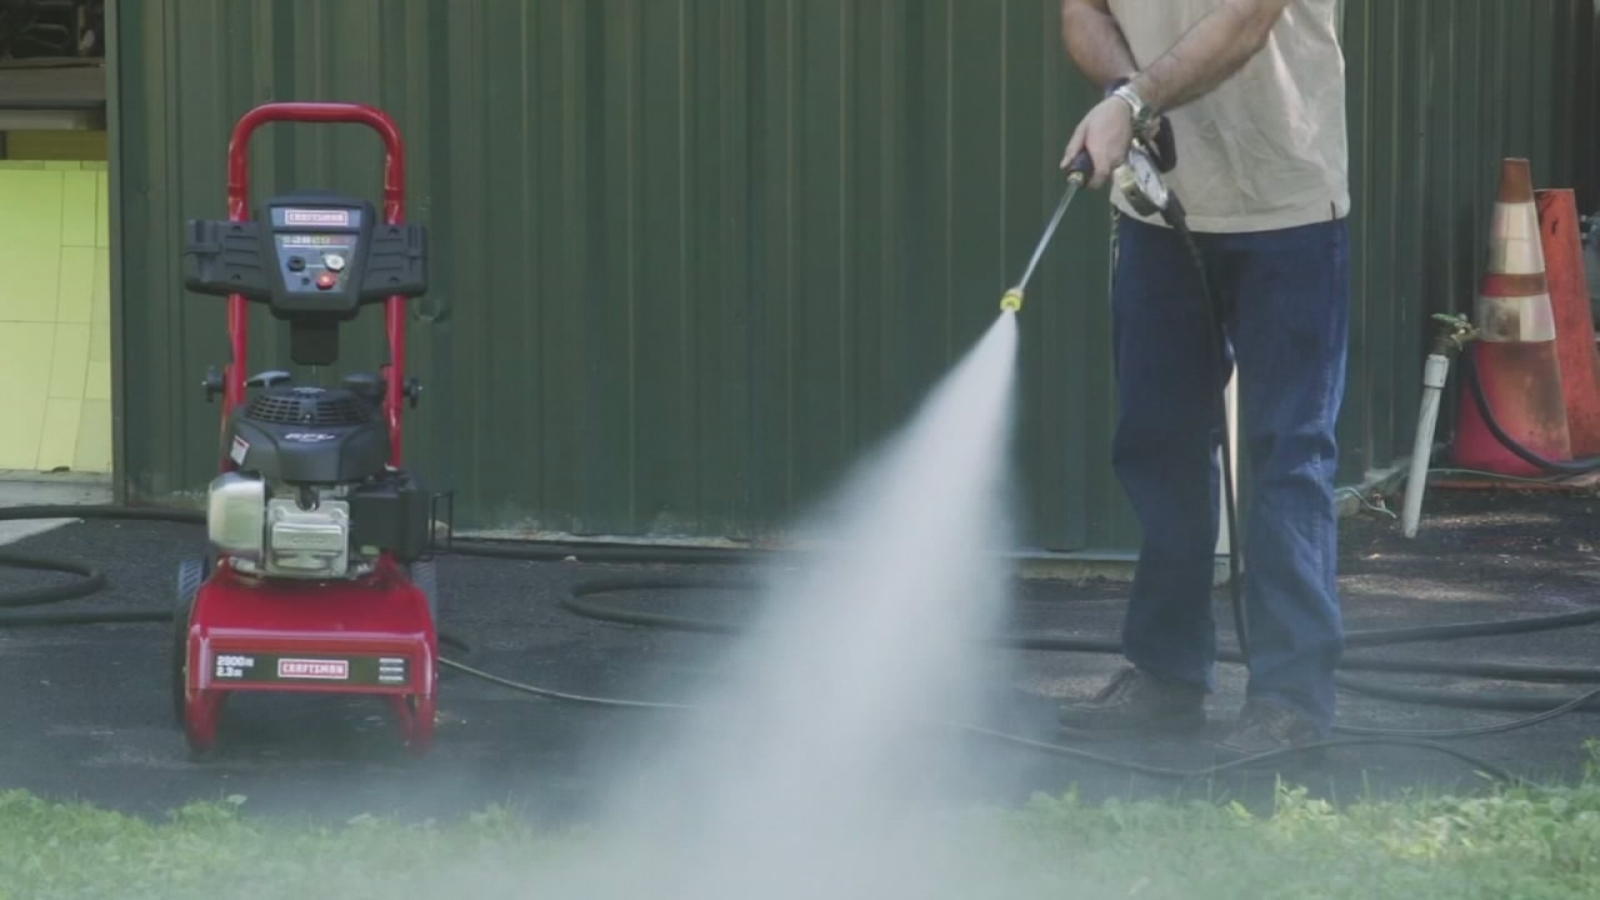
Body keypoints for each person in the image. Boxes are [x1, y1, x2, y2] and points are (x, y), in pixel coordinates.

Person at [1053, 0, 1351, 757]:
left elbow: (1248, 21)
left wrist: (1131, 101)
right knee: (1160, 448)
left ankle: (1291, 699)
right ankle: (1167, 675)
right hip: (1158, 212)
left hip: (1286, 206)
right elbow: (1081, 11)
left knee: (1289, 453)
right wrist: (1129, 90)